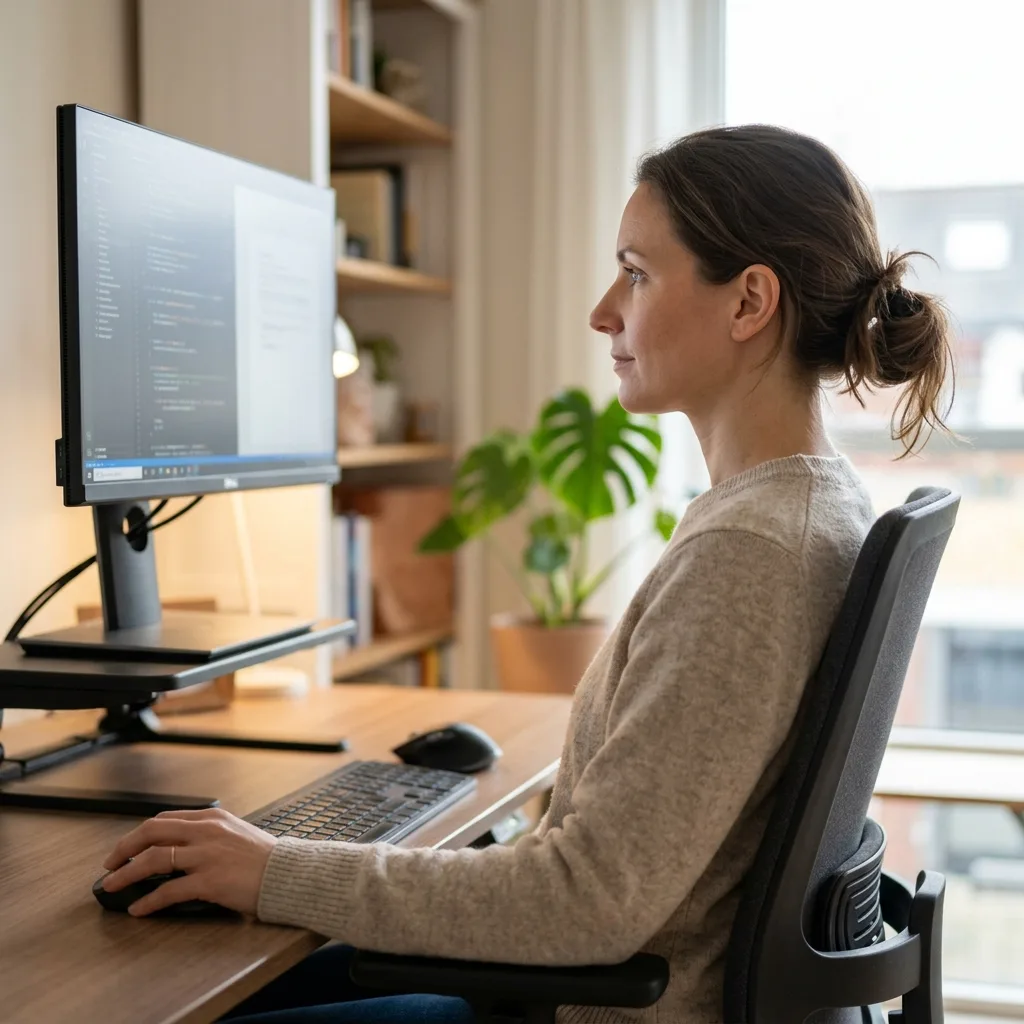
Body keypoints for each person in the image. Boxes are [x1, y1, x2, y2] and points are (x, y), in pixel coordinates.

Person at [100, 124, 953, 1024]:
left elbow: (584, 901)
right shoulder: (811, 508)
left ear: (748, 303)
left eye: (636, 272)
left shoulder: (752, 552)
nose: (603, 311)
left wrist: (273, 867)